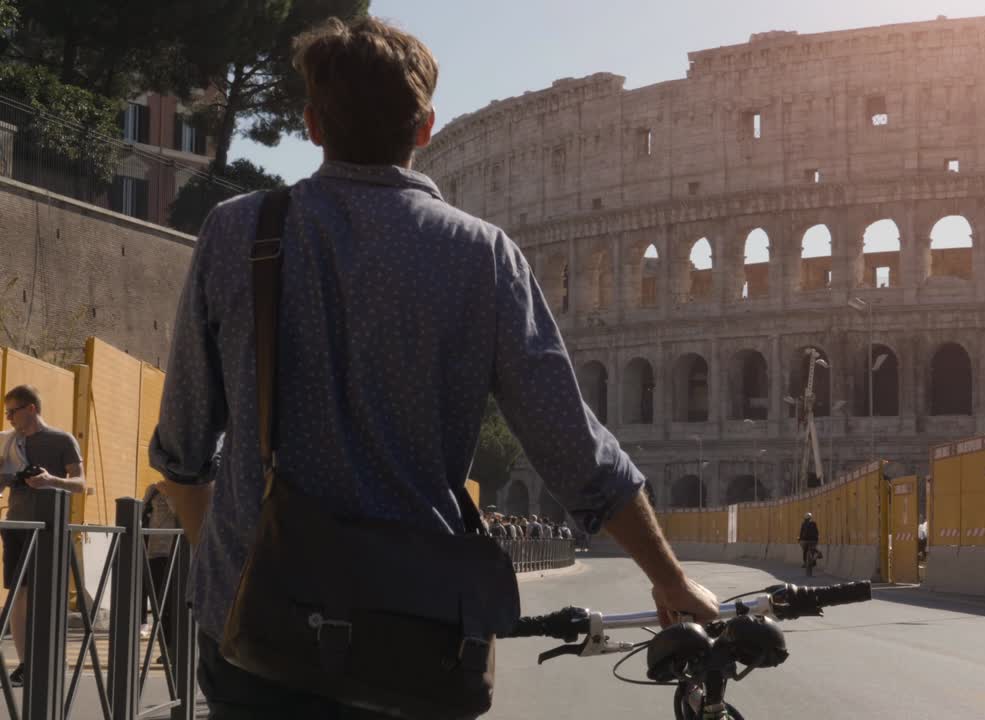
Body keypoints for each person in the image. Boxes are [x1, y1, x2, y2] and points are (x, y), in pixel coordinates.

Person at [148, 17, 718, 717]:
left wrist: (232, 563)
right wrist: (669, 579)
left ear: (312, 124)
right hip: (417, 634)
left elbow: (181, 447)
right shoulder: (483, 256)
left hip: (262, 636)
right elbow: (569, 444)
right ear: (424, 130)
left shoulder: (238, 232)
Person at [1, 385, 86, 687]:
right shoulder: (8, 443)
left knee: (48, 595)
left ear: (31, 409)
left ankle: (52, 657)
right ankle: (25, 663)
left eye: (12, 411)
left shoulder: (61, 440)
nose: (8, 417)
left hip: (50, 528)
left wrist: (51, 480)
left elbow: (81, 483)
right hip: (16, 526)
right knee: (18, 595)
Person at [141, 482, 181, 662]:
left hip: (171, 553)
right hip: (152, 552)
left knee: (171, 605)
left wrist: (170, 495)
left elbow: (181, 514)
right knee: (160, 605)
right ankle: (167, 650)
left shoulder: (186, 488)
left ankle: (175, 650)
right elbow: (142, 514)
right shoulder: (153, 489)